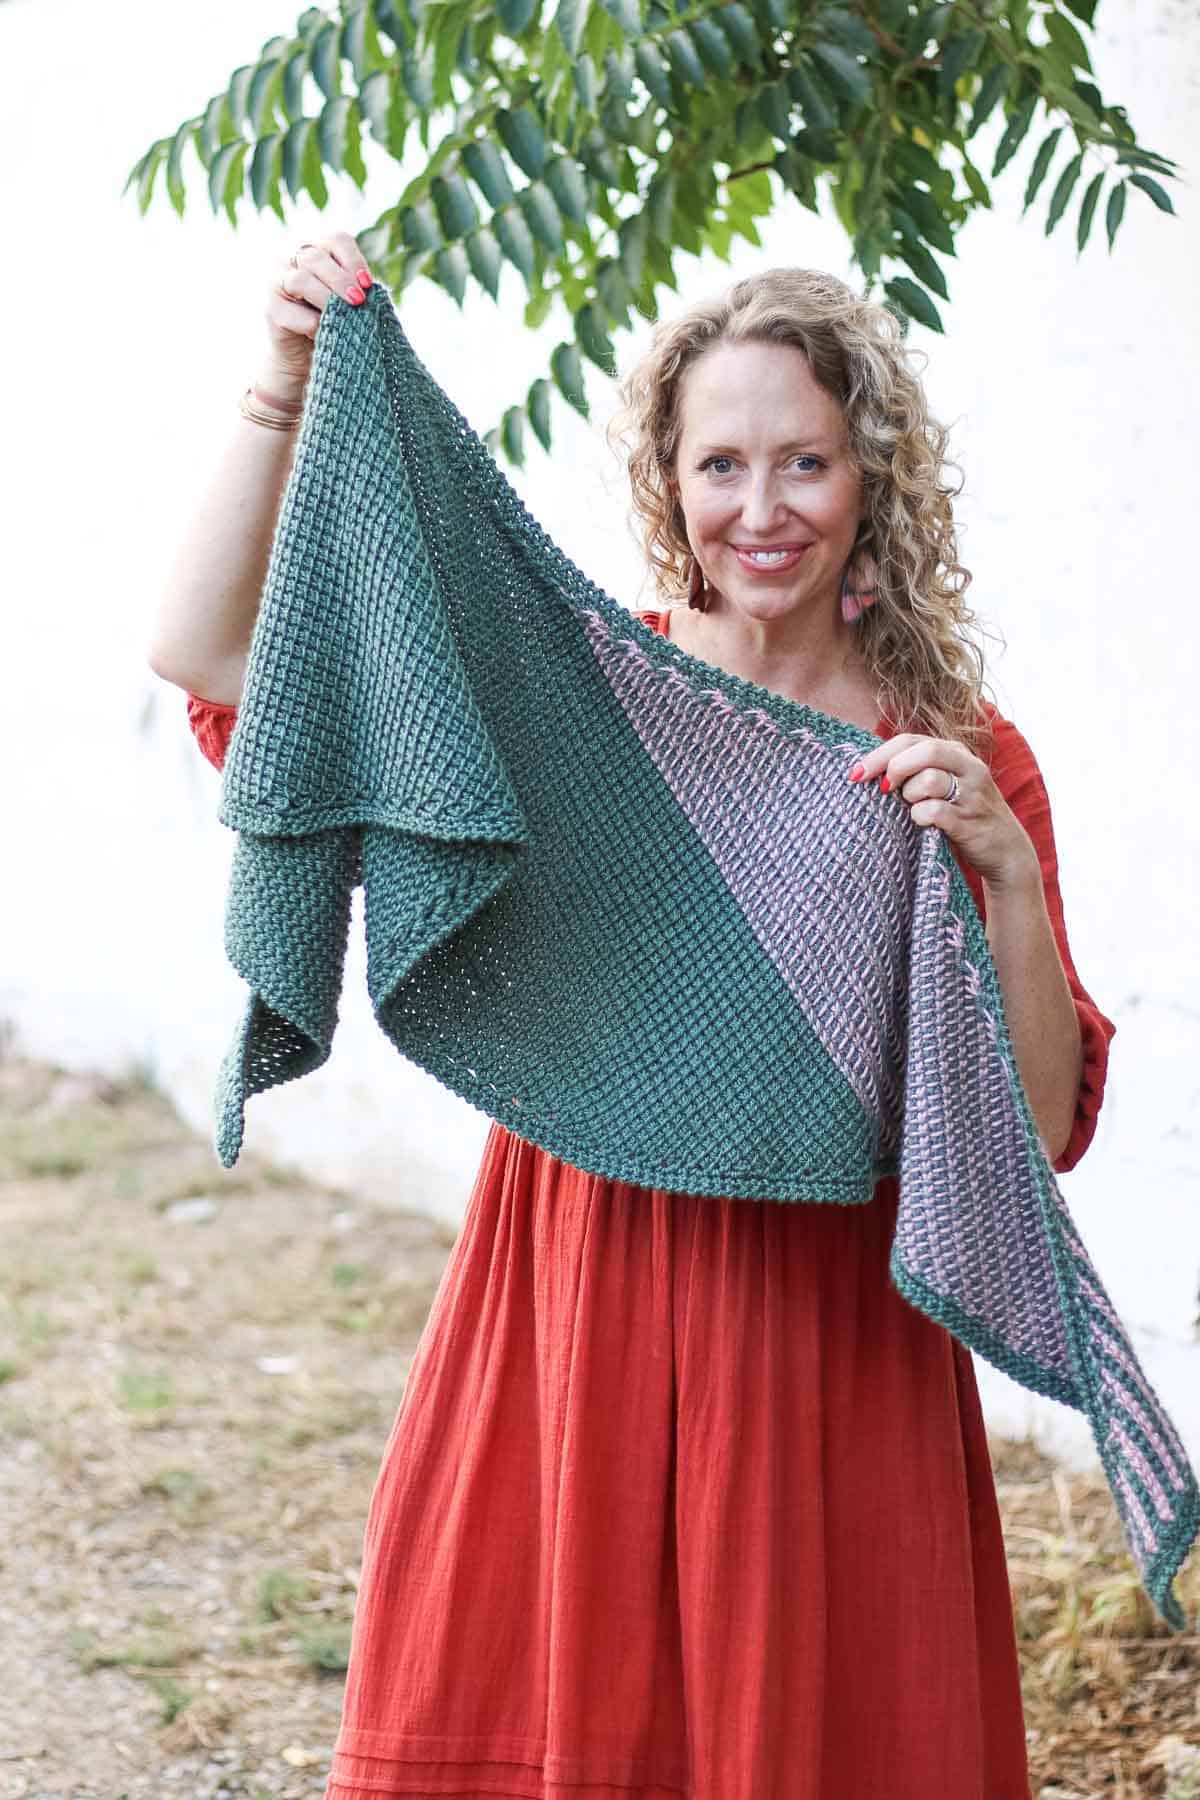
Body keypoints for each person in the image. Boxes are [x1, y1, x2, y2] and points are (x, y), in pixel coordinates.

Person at [148, 234, 1116, 1800]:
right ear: (670, 481)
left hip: (831, 1334)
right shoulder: (598, 711)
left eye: (805, 460)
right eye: (721, 462)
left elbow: (1046, 1122)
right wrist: (280, 391)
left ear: (869, 474)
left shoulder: (963, 759)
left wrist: (1000, 873)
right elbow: (203, 653)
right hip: (579, 1282)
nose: (763, 508)